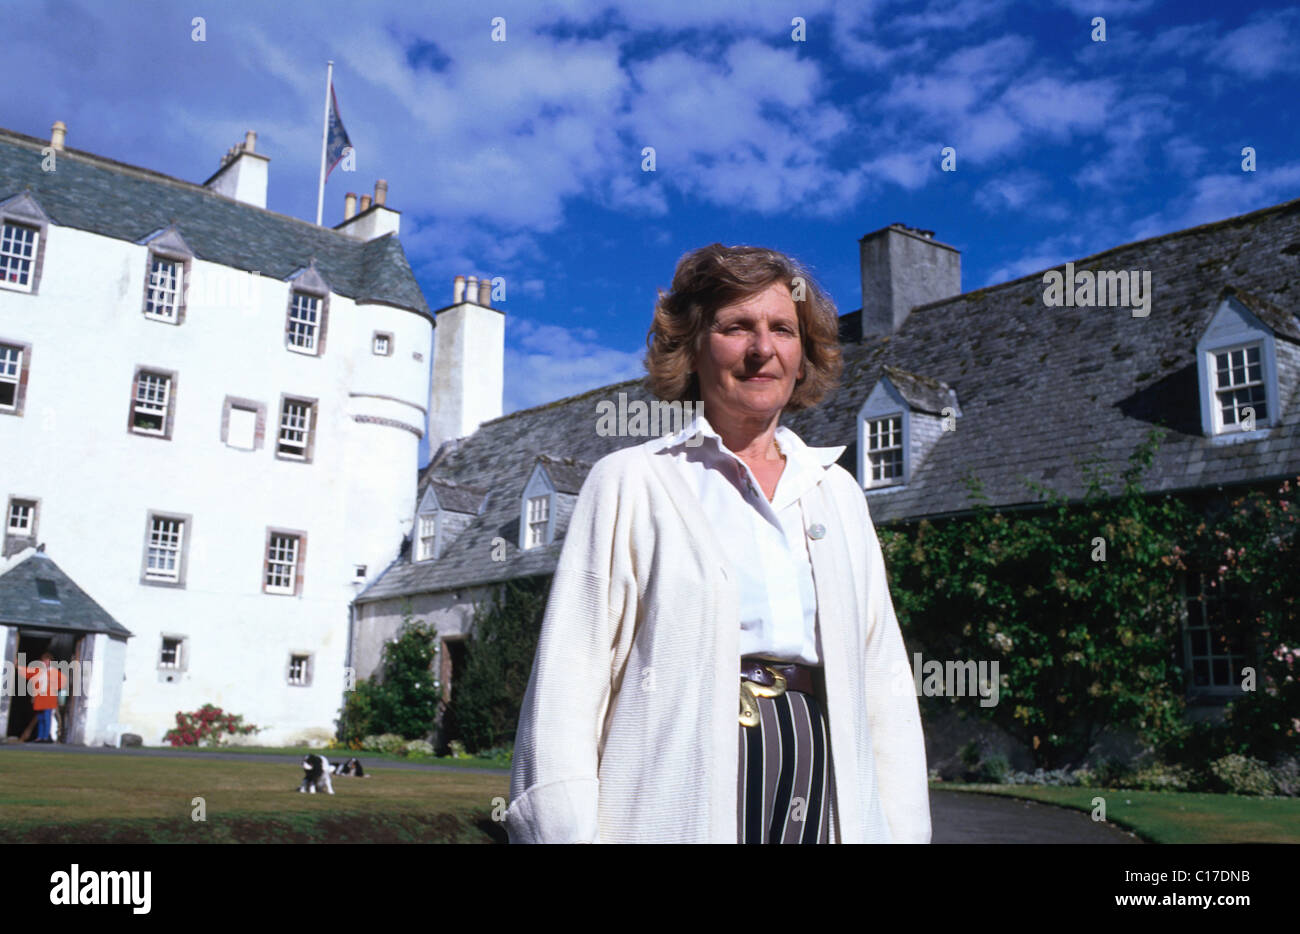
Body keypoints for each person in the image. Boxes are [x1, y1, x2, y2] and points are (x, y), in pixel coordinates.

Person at [506, 244, 930, 844]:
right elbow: (567, 686)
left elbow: (883, 682)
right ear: (693, 346)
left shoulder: (837, 494)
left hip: (823, 796)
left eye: (783, 329)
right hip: (669, 803)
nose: (763, 349)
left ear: (802, 354)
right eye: (737, 327)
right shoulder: (632, 482)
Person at [23, 652, 65, 744]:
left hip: (49, 699)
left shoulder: (54, 672)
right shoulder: (38, 670)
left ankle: (46, 736)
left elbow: (63, 681)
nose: (46, 663)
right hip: (39, 698)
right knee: (40, 718)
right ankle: (40, 736)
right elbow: (27, 672)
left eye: (47, 661)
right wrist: (17, 666)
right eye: (44, 661)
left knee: (47, 717)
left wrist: (54, 687)